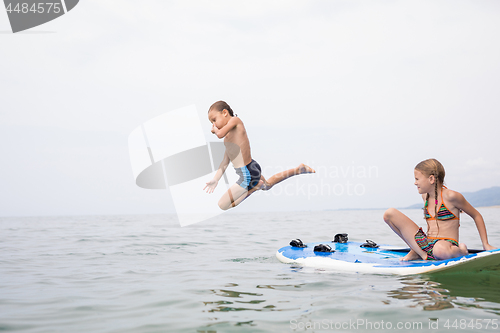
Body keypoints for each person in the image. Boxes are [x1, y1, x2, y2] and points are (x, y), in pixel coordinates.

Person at [203, 101, 315, 210]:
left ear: (225, 113)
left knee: (222, 205)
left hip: (247, 175)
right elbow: (225, 162)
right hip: (252, 168)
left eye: (214, 120)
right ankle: (298, 170)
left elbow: (219, 134)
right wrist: (216, 179)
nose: (214, 125)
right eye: (211, 123)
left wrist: (214, 130)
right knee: (268, 185)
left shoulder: (236, 121)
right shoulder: (227, 140)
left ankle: (253, 189)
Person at [383, 158, 496, 261]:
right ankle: (417, 251)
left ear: (431, 179)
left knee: (439, 250)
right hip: (426, 245)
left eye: (417, 179)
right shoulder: (425, 197)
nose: (415, 182)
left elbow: (476, 215)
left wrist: (485, 244)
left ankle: (461, 251)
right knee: (389, 214)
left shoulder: (452, 196)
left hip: (445, 246)